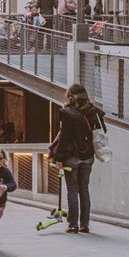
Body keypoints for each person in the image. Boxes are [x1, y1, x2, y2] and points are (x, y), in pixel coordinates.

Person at [53, 83, 101, 234]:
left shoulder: (67, 113)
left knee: (72, 190)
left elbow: (64, 137)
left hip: (71, 156)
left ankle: (73, 224)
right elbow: (101, 131)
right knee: (84, 190)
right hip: (88, 156)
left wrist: (58, 158)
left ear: (70, 96)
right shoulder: (94, 111)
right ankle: (84, 225)